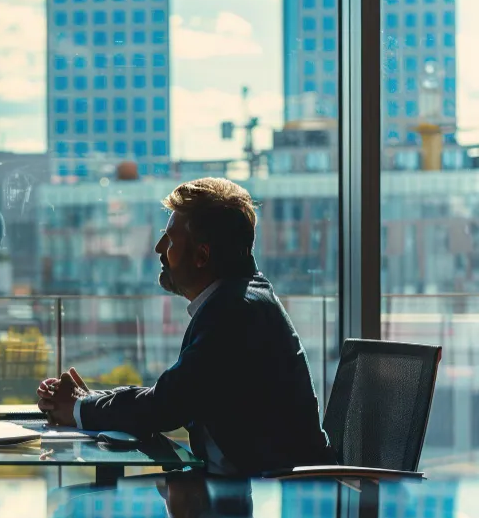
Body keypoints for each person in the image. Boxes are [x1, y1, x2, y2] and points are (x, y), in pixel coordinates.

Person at [36, 177, 334, 476]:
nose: (158, 248)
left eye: (170, 239)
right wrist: (90, 403)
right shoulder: (239, 300)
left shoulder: (235, 312)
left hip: (280, 495)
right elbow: (173, 393)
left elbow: (166, 405)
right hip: (248, 490)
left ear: (202, 255)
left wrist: (80, 408)